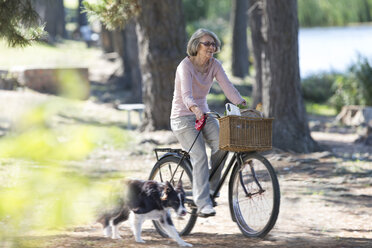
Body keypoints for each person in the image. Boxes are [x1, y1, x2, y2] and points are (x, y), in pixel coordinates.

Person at [170, 28, 246, 217]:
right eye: (207, 43)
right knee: (199, 156)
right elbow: (186, 95)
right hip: (183, 116)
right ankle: (202, 203)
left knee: (222, 145)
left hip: (204, 114)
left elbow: (227, 86)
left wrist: (241, 103)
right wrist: (195, 109)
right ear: (196, 45)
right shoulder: (185, 66)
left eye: (214, 44)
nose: (211, 47)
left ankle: (211, 190)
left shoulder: (214, 65)